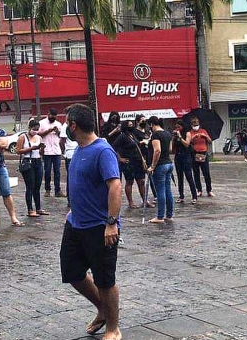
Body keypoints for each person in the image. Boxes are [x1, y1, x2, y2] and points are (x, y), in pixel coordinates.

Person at [59, 103, 122, 340]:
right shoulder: (79, 148)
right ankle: (103, 310)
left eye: (67, 123)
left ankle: (113, 327)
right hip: (76, 224)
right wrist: (73, 211)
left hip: (99, 227)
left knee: (105, 279)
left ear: (74, 125)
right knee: (72, 272)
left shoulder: (102, 150)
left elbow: (114, 185)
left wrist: (111, 223)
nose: (66, 127)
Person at [17, 120, 49, 217]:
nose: (35, 131)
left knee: (37, 186)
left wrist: (42, 148)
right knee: (30, 186)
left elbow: (41, 153)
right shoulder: (23, 137)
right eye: (34, 129)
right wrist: (32, 148)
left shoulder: (38, 137)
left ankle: (38, 208)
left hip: (38, 161)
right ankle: (30, 209)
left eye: (37, 129)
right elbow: (18, 151)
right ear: (29, 128)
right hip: (28, 162)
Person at [112, 120, 147, 208]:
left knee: (141, 181)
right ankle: (130, 202)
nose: (131, 126)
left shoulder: (132, 135)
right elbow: (113, 147)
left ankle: (145, 201)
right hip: (128, 162)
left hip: (137, 161)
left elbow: (136, 145)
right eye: (130, 125)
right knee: (129, 181)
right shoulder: (122, 136)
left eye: (132, 125)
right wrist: (120, 158)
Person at [146, 116, 174, 224]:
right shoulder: (167, 133)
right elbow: (170, 149)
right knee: (168, 190)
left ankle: (160, 216)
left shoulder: (156, 135)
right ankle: (169, 215)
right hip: (168, 163)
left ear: (152, 124)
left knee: (160, 191)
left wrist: (152, 166)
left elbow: (157, 150)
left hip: (160, 166)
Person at [39, 108, 65, 197]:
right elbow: (39, 134)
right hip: (46, 151)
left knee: (57, 172)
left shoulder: (58, 124)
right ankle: (47, 190)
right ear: (48, 114)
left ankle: (58, 191)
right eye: (51, 115)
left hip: (56, 151)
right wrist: (49, 130)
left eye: (54, 116)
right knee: (47, 171)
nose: (52, 117)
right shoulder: (42, 123)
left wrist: (58, 132)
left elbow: (61, 136)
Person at [187, 118, 215, 197]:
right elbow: (188, 142)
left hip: (203, 153)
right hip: (195, 153)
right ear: (191, 125)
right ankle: (199, 190)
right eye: (194, 125)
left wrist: (205, 136)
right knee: (196, 173)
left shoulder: (203, 131)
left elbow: (210, 141)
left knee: (206, 172)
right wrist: (193, 137)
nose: (195, 126)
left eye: (196, 125)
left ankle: (209, 190)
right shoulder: (190, 132)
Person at [172, 120, 197, 204]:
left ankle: (194, 196)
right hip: (178, 157)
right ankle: (181, 195)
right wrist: (173, 138)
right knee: (179, 177)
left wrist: (180, 137)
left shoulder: (187, 133)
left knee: (189, 176)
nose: (178, 129)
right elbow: (172, 149)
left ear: (183, 126)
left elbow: (187, 144)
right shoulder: (176, 135)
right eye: (176, 127)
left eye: (179, 127)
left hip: (186, 157)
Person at [133, 114, 155, 206]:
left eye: (145, 120)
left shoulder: (147, 131)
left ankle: (156, 195)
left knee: (152, 176)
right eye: (142, 120)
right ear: (137, 121)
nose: (144, 122)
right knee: (141, 180)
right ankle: (144, 200)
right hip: (139, 157)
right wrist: (141, 142)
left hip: (149, 155)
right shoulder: (134, 132)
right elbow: (134, 143)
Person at [60, 120, 78, 208]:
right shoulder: (65, 127)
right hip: (70, 154)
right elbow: (62, 141)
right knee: (71, 177)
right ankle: (70, 200)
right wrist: (64, 152)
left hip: (78, 152)